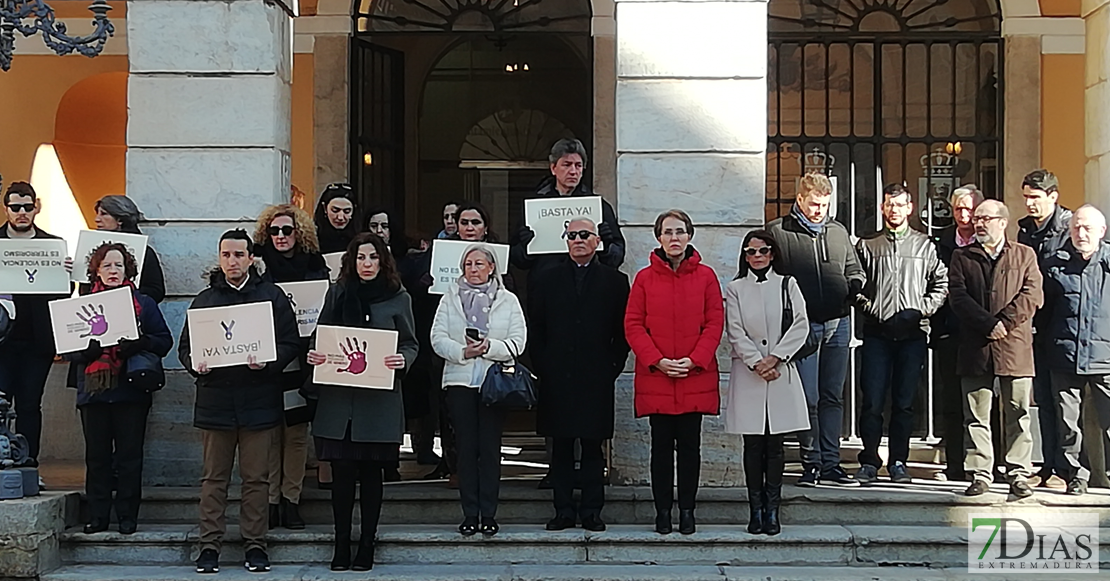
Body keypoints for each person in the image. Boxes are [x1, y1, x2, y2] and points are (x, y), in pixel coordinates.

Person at [178, 229, 301, 574]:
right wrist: (194, 365)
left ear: (250, 258)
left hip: (258, 399)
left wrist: (269, 361)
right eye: (226, 255)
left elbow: (291, 342)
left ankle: (256, 544)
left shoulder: (272, 297)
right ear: (219, 258)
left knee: (256, 479)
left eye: (238, 255)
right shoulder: (203, 300)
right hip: (215, 400)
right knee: (213, 479)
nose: (232, 261)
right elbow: (185, 348)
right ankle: (209, 545)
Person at [306, 232, 418, 571]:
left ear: (382, 261)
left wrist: (402, 359)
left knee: (371, 476)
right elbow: (320, 336)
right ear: (351, 262)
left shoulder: (399, 298)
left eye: (372, 258)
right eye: (360, 258)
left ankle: (366, 544)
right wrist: (315, 354)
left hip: (378, 403)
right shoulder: (337, 293)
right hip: (340, 402)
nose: (366, 264)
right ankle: (341, 544)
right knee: (340, 477)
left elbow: (411, 344)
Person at [625, 209, 723, 536]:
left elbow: (714, 322)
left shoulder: (706, 276)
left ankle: (688, 512)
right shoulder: (644, 278)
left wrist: (695, 360)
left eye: (680, 231)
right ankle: (662, 512)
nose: (674, 238)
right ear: (659, 238)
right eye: (668, 232)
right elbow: (633, 324)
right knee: (661, 450)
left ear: (689, 236)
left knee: (691, 451)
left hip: (694, 376)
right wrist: (657, 360)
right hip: (658, 376)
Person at [529, 217, 630, 533]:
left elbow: (622, 332)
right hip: (557, 376)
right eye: (571, 235)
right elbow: (537, 328)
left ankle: (591, 511)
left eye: (584, 235)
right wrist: (543, 366)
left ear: (597, 240)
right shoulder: (546, 278)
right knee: (560, 446)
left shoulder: (615, 281)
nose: (577, 240)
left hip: (595, 376)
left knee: (591, 447)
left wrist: (611, 367)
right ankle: (562, 511)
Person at [766, 172, 866, 487]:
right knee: (807, 398)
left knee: (832, 396)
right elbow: (770, 277)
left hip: (838, 321)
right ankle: (810, 463)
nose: (819, 210)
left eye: (824, 204)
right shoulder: (779, 232)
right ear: (800, 200)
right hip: (801, 326)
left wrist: (855, 284)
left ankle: (831, 463)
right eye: (814, 204)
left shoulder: (837, 231)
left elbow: (854, 267)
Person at [66, 242, 172, 535]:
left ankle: (127, 516)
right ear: (96, 270)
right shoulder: (81, 303)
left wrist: (140, 344)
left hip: (130, 391)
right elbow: (66, 346)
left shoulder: (144, 303)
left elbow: (164, 340)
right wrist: (84, 354)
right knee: (97, 458)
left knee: (129, 457)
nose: (113, 271)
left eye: (119, 265)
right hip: (94, 392)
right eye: (107, 265)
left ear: (128, 270)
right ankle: (98, 516)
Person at [853, 184, 948, 484]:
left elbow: (941, 285)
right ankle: (869, 460)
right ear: (882, 209)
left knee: (905, 403)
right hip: (877, 335)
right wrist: (872, 309)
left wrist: (921, 310)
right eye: (889, 204)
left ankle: (898, 462)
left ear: (910, 208)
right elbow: (854, 286)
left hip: (912, 335)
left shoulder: (925, 246)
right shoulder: (868, 246)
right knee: (872, 401)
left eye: (899, 205)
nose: (894, 210)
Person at [430, 244, 527, 537]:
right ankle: (469, 514)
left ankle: (489, 514)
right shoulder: (449, 297)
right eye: (468, 264)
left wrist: (489, 348)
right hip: (460, 382)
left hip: (492, 383)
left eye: (479, 264)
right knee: (466, 450)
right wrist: (463, 352)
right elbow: (437, 337)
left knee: (489, 449)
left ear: (491, 268)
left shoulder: (508, 300)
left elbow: (518, 341)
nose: (473, 269)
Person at [948, 200, 1043, 498]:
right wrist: (987, 324)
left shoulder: (1024, 254)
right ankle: (980, 473)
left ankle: (1017, 473)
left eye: (985, 218)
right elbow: (958, 297)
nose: (978, 223)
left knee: (1018, 411)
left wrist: (1004, 322)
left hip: (1014, 346)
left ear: (1003, 222)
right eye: (977, 219)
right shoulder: (962, 256)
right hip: (977, 347)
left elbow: (1032, 294)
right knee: (976, 415)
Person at [724, 230, 809, 537]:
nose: (756, 256)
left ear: (772, 253)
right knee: (753, 444)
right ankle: (755, 509)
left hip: (780, 370)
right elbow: (734, 330)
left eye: (762, 251)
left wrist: (775, 357)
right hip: (750, 373)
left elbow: (801, 323)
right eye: (750, 251)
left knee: (775, 446)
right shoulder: (735, 288)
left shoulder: (788, 284)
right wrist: (755, 361)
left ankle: (773, 509)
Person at [252, 204, 329, 530]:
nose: (281, 237)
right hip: (267, 358)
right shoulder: (256, 265)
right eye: (275, 231)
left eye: (287, 230)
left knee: (297, 434)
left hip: (302, 359)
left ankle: (291, 500)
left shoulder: (315, 264)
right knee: (270, 433)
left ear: (300, 233)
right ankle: (271, 501)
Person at [0, 182, 72, 469]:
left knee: (30, 405)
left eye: (27, 207)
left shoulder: (52, 245)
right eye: (15, 207)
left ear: (36, 207)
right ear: (6, 208)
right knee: (0, 405)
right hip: (2, 340)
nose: (21, 213)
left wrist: (67, 274)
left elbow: (64, 294)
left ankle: (29, 463)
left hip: (37, 342)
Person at [1041, 205, 1110, 496]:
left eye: (1087, 228)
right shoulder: (1055, 264)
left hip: (1106, 358)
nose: (1081, 234)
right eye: (1076, 228)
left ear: (1102, 232)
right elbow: (1044, 313)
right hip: (1064, 356)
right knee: (1069, 424)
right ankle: (1075, 476)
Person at [1016, 169, 1074, 488]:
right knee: (1044, 400)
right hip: (1033, 325)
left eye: (1036, 197)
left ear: (1053, 196)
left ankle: (1066, 468)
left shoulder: (1069, 228)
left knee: (1064, 400)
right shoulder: (1025, 230)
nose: (1030, 204)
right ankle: (1049, 465)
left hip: (1061, 324)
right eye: (1026, 197)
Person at [511, 138, 626, 289]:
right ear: (553, 168)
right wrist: (525, 247)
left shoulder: (599, 207)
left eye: (578, 165)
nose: (573, 171)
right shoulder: (533, 207)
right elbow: (517, 259)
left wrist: (606, 245)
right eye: (566, 165)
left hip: (588, 287)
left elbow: (617, 257)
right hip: (546, 288)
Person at [932, 185, 984, 481]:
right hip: (950, 333)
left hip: (981, 335)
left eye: (969, 209)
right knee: (951, 402)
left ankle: (985, 464)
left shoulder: (990, 242)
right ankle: (954, 464)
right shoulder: (939, 241)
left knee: (981, 404)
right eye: (958, 209)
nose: (964, 215)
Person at [92, 195, 166, 303]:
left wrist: (126, 295)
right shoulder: (92, 250)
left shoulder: (145, 252)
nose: (97, 219)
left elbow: (156, 291)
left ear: (120, 220)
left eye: (104, 214)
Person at [314, 183, 360, 254]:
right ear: (325, 208)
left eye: (347, 211)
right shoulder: (311, 239)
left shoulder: (361, 239)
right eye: (335, 210)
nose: (340, 217)